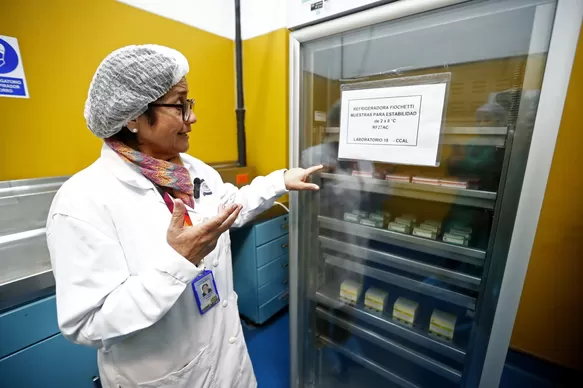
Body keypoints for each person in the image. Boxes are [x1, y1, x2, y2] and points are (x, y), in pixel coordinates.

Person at [46, 44, 322, 388]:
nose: (192, 117)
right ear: (132, 116)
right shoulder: (82, 202)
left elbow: (229, 207)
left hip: (227, 359)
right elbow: (86, 323)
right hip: (166, 375)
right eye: (180, 104)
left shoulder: (192, 169)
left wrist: (279, 181)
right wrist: (177, 262)